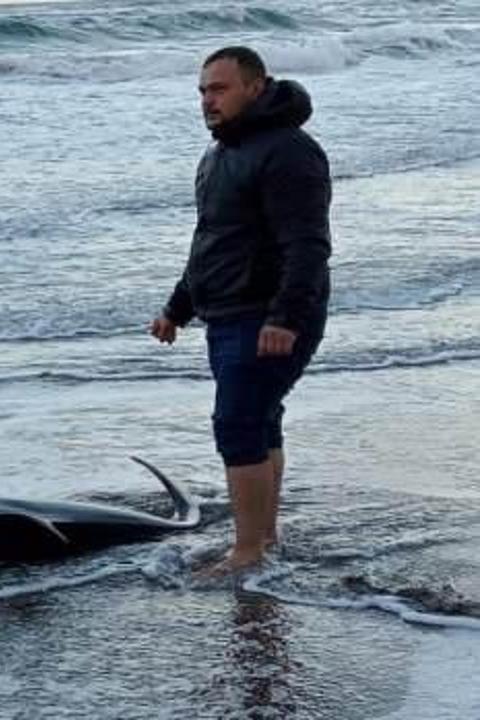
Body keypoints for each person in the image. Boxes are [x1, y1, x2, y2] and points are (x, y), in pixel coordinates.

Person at [149, 46, 332, 575]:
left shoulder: (289, 152)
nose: (208, 100)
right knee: (259, 421)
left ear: (256, 86)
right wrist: (177, 308)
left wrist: (284, 318)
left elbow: (308, 245)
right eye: (204, 90)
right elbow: (212, 241)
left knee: (238, 423)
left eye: (220, 88)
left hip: (267, 314)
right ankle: (264, 539)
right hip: (229, 313)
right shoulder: (219, 154)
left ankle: (248, 551)